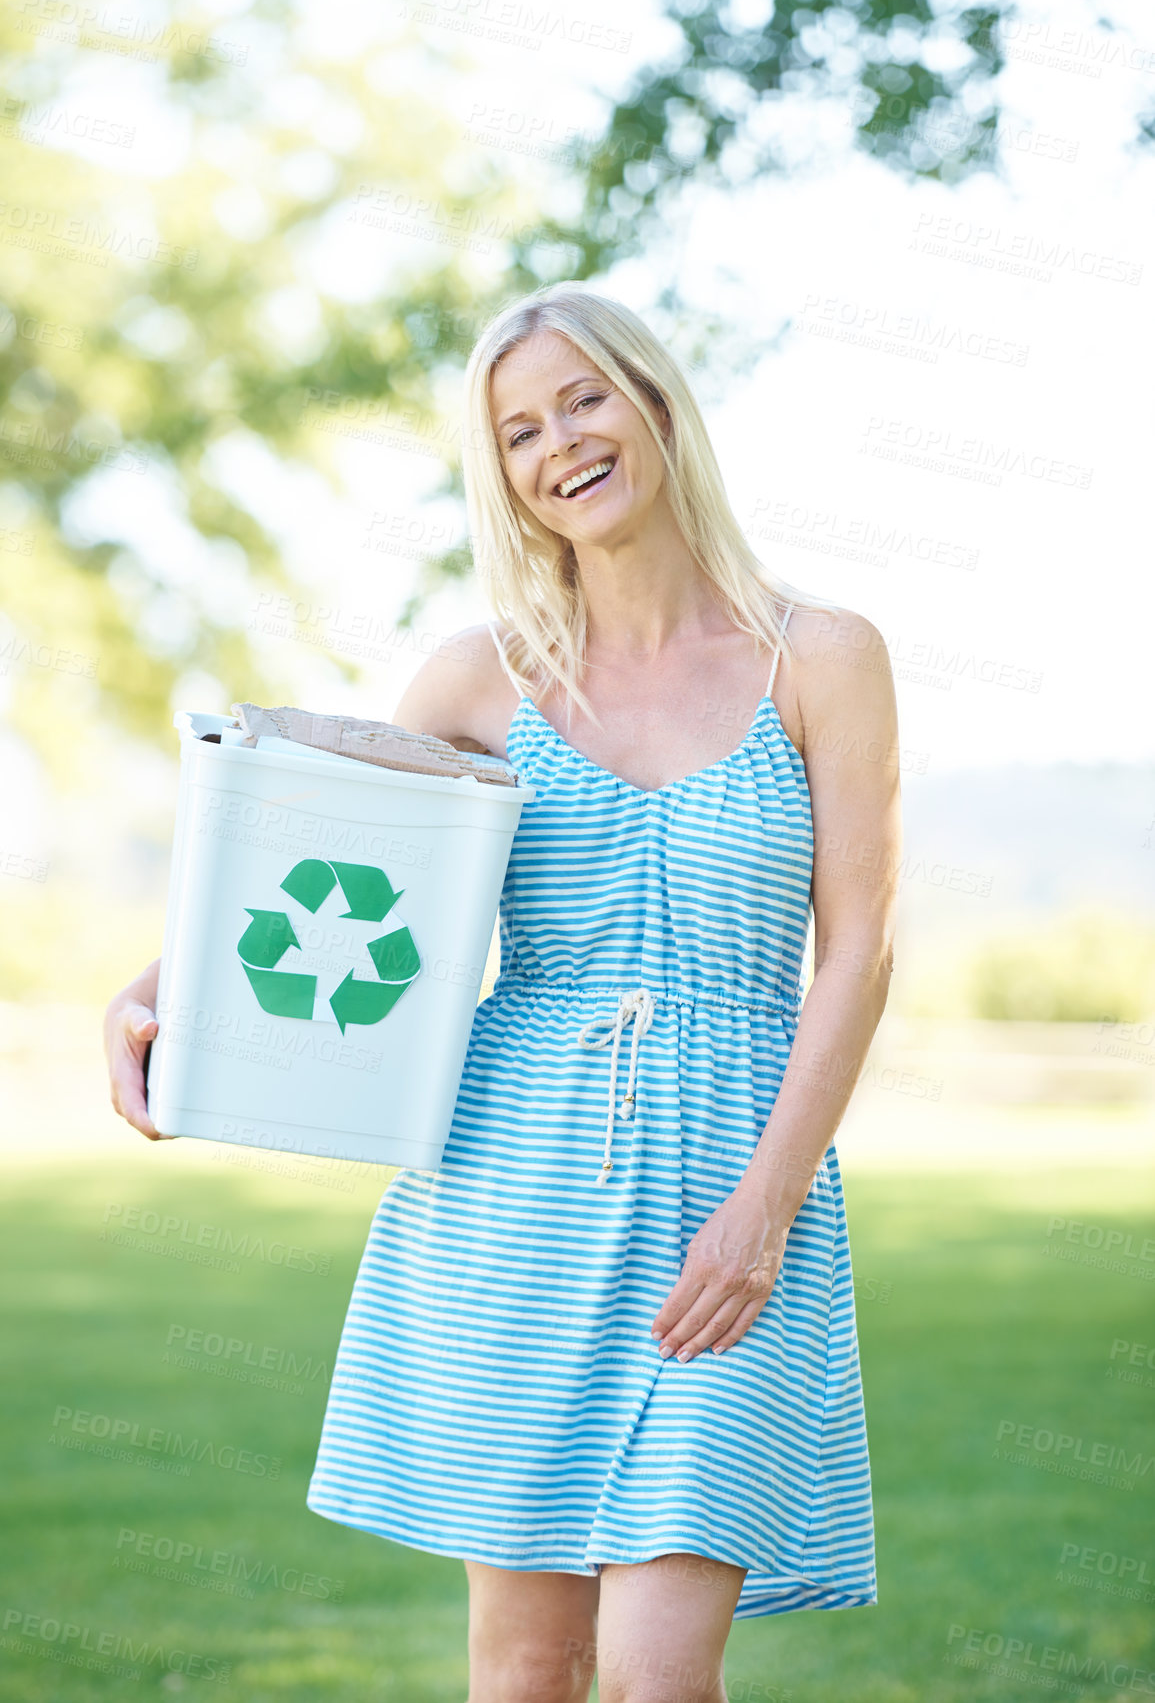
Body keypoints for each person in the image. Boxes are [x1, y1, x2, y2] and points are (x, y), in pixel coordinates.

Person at [105, 283, 901, 1703]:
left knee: (662, 1675)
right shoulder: (484, 678)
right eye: (519, 430)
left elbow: (859, 946)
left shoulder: (822, 657)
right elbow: (311, 872)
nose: (560, 445)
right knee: (528, 1669)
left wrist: (765, 1211)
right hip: (509, 1195)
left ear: (654, 403)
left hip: (733, 1189)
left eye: (583, 399)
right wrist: (163, 991)